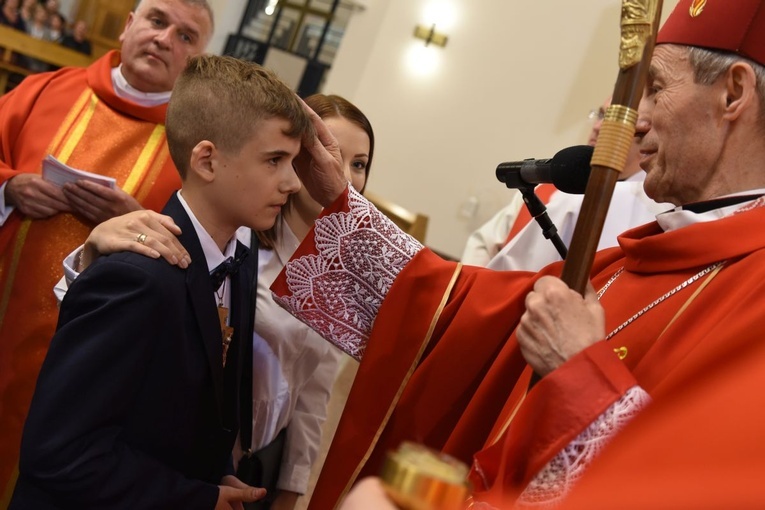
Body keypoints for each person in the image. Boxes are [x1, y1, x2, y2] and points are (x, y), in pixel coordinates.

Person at [265, 0, 765, 507]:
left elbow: (700, 484)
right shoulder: (651, 255)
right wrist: (337, 201)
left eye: (655, 88)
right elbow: (462, 318)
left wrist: (579, 370)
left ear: (733, 93)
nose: (638, 122)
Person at [9, 54, 314, 509]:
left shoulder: (241, 259)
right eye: (275, 160)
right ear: (207, 161)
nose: (292, 182)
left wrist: (217, 476)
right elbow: (57, 454)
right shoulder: (136, 277)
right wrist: (197, 498)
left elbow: (199, 414)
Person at [54, 93, 375, 510]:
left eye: (359, 163)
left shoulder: (335, 272)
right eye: (324, 153)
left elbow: (313, 391)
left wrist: (291, 492)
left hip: (250, 464)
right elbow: (130, 313)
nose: (342, 175)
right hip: (162, 465)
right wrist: (91, 256)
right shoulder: (236, 241)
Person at [0, 0, 214, 501]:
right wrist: (8, 189)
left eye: (186, 36)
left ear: (197, 60)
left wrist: (136, 216)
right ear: (128, 25)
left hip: (87, 372)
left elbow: (198, 259)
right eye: (157, 21)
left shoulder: (196, 152)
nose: (165, 39)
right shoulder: (44, 91)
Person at [463, 96, 669, 271]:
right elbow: (484, 243)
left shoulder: (652, 212)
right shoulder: (546, 187)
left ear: (644, 133)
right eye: (599, 115)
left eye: (610, 119)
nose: (597, 126)